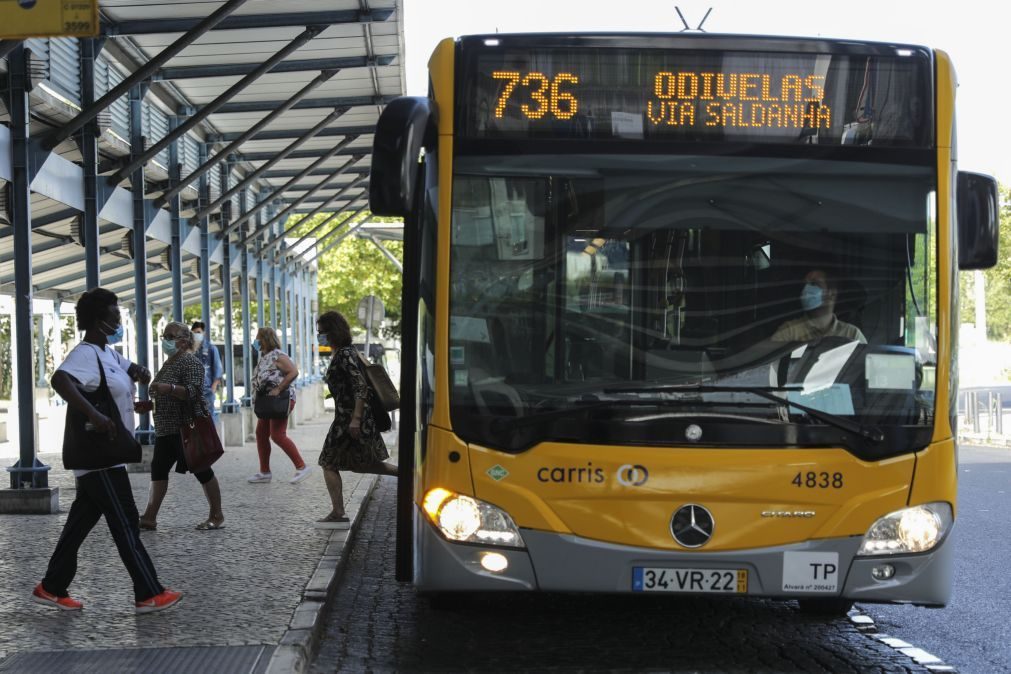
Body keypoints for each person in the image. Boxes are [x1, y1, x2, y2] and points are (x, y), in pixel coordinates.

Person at [34, 287, 181, 614]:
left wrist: (134, 394)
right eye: (115, 316)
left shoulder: (108, 353)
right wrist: (94, 414)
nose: (119, 321)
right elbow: (61, 380)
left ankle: (52, 586)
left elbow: (127, 374)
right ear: (100, 321)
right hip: (100, 456)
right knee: (126, 521)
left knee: (79, 525)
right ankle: (148, 592)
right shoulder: (86, 352)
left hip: (104, 456)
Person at [139, 321, 225, 531]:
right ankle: (149, 516)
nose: (166, 341)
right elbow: (163, 394)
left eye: (171, 336)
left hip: (185, 427)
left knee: (202, 470)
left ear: (184, 341)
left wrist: (168, 388)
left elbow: (194, 392)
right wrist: (149, 404)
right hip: (166, 429)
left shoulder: (190, 362)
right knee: (158, 470)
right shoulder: (169, 362)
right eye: (164, 336)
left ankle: (217, 515)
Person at [315, 311, 397, 528]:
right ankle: (410, 476)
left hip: (349, 420)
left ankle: (338, 513)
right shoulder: (348, 352)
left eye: (321, 332)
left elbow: (360, 387)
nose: (319, 336)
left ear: (333, 332)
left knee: (328, 462)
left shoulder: (344, 354)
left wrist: (355, 419)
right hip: (352, 418)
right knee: (364, 464)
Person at [247, 327, 313, 484]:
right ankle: (264, 472)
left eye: (258, 338)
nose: (256, 342)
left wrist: (279, 388)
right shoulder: (264, 357)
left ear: (266, 339)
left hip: (279, 400)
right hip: (267, 402)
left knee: (277, 435)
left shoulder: (278, 355)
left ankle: (302, 467)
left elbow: (293, 372)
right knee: (261, 433)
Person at [771, 268, 867, 344]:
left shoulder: (852, 334)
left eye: (813, 284)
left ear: (832, 294)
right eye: (805, 285)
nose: (806, 289)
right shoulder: (789, 331)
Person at [190, 321, 223, 430]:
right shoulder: (190, 350)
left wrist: (213, 387)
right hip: (192, 390)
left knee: (209, 417)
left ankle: (211, 443)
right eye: (194, 332)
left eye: (198, 332)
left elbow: (218, 369)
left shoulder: (211, 349)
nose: (196, 335)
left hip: (207, 390)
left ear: (203, 333)